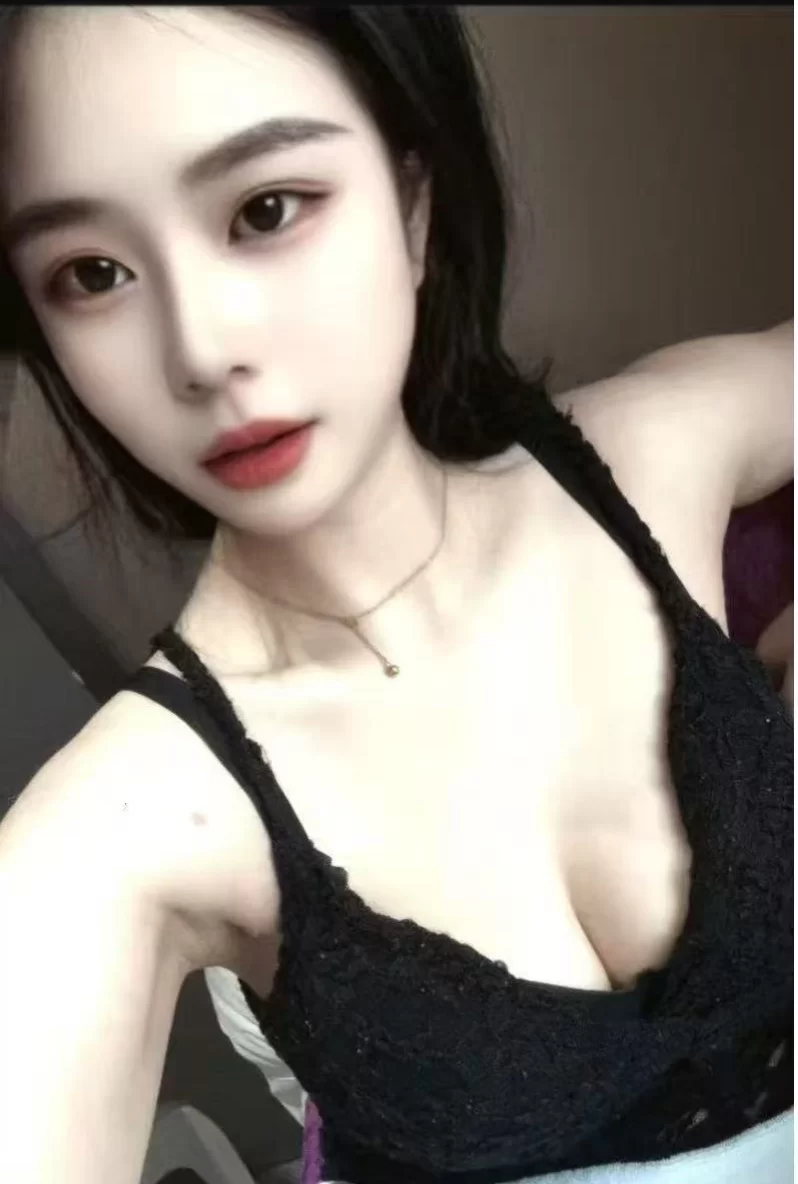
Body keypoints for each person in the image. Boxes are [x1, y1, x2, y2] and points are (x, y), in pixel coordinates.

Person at [0, 7, 792, 1184]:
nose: (202, 349)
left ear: (413, 206)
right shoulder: (126, 819)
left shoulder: (660, 454)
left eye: (267, 209)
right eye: (92, 274)